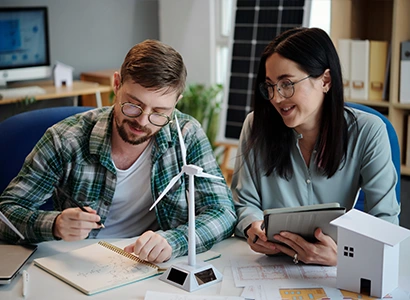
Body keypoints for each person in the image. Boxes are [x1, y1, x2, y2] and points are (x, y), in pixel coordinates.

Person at [0, 39, 236, 263]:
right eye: (133, 105)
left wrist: (176, 241)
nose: (143, 121)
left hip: (152, 264)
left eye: (159, 111)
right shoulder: (65, 139)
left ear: (176, 103)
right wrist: (55, 224)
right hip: (81, 261)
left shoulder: (186, 134)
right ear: (116, 84)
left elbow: (223, 212)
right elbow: (5, 213)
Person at [232, 27, 400, 266]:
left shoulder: (369, 131)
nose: (277, 98)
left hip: (338, 268)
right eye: (270, 86)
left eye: (287, 84)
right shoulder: (255, 125)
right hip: (270, 265)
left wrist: (344, 257)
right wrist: (252, 226)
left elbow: (385, 224)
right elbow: (244, 201)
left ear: (326, 80)